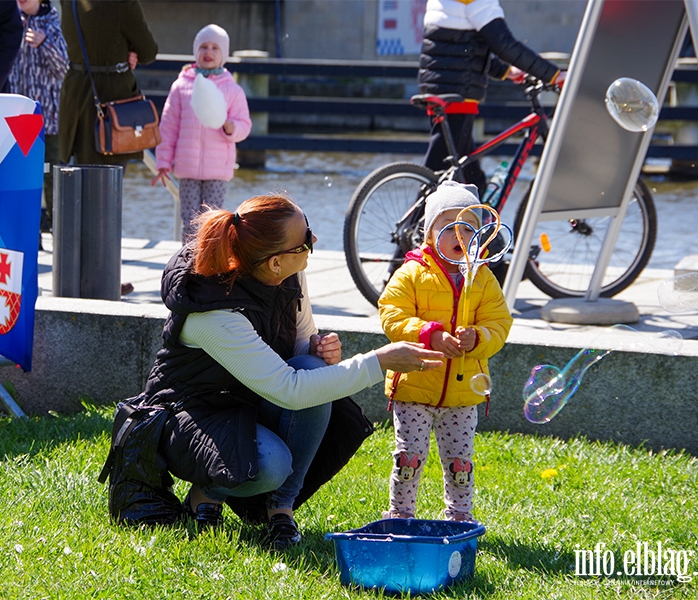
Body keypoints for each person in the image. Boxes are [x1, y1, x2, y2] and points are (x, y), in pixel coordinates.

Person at [136, 194, 443, 549]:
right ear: (276, 262)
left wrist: (315, 350)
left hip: (246, 402)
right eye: (306, 239)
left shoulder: (288, 274)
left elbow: (298, 352)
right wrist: (381, 361)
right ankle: (207, 491)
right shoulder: (211, 310)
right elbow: (289, 390)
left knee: (312, 367)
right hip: (192, 415)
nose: (313, 242)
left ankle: (280, 509)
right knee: (269, 464)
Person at [377, 181, 513, 522]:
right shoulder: (411, 272)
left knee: (460, 461)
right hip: (414, 387)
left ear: (481, 234)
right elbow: (392, 314)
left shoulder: (483, 279)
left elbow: (500, 323)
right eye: (448, 227)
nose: (459, 236)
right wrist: (429, 333)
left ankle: (459, 515)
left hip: (463, 393)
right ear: (428, 232)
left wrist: (479, 337)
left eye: (468, 228)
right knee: (409, 456)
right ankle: (401, 514)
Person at [59, 0, 158, 296]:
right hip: (107, 107)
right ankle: (100, 282)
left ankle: (72, 277)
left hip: (75, 100)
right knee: (103, 198)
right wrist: (125, 54)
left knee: (73, 193)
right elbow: (149, 50)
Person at [419, 0, 565, 191]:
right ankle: (413, 222)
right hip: (458, 93)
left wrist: (505, 71)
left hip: (442, 87)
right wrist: (554, 75)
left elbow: (460, 45)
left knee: (472, 179)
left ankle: (480, 218)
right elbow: (503, 43)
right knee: (438, 176)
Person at [151, 24, 252, 239]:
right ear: (196, 51)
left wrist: (232, 128)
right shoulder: (182, 86)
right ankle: (188, 265)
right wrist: (163, 162)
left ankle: (209, 266)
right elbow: (168, 127)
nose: (208, 52)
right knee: (189, 221)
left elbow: (245, 125)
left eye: (215, 48)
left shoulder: (231, 89)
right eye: (204, 47)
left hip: (217, 169)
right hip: (187, 167)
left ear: (223, 54)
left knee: (213, 221)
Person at [58, 0, 158, 168]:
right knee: (105, 185)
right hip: (110, 101)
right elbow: (148, 52)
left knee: (74, 182)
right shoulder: (121, 3)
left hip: (74, 96)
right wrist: (128, 51)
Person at [8, 0, 69, 243]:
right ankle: (28, 235)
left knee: (52, 178)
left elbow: (65, 68)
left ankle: (59, 236)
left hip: (49, 120)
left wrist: (44, 44)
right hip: (18, 117)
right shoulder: (10, 21)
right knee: (22, 178)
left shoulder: (53, 24)